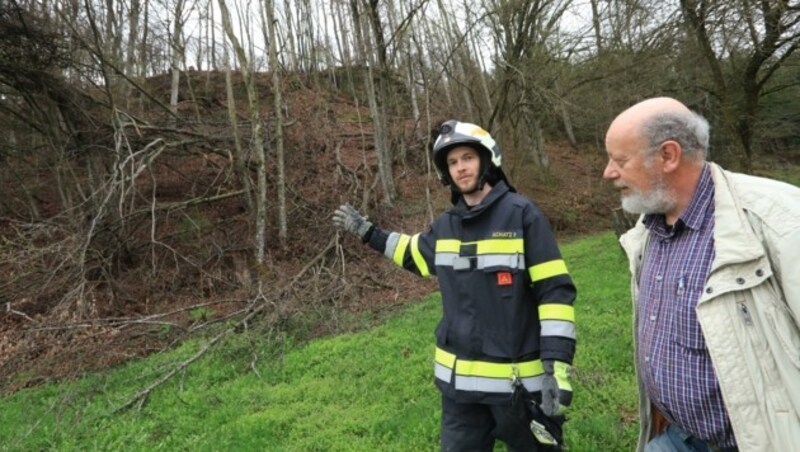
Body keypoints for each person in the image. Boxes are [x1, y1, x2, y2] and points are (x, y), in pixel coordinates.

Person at [333, 120, 577, 451]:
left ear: (487, 160)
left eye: (467, 158)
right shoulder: (446, 226)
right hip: (459, 393)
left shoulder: (522, 215)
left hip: (519, 389)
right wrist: (369, 233)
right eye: (452, 162)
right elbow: (413, 254)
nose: (460, 168)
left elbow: (555, 293)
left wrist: (556, 368)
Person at [603, 97, 800, 451]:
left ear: (668, 156)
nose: (609, 172)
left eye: (620, 160)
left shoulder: (781, 220)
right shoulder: (648, 230)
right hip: (676, 438)